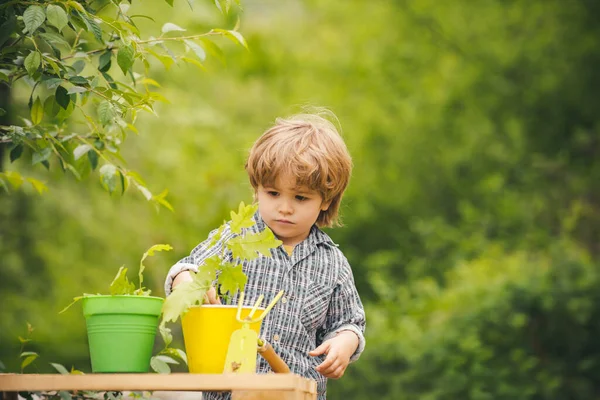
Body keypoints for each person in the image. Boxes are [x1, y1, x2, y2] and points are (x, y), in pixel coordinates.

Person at [164, 110, 366, 400]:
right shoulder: (235, 237)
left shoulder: (332, 263)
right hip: (230, 393)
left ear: (326, 201)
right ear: (256, 190)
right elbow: (188, 269)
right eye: (273, 193)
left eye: (300, 198)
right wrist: (186, 280)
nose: (284, 208)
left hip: (296, 392)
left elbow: (349, 322)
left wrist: (344, 343)